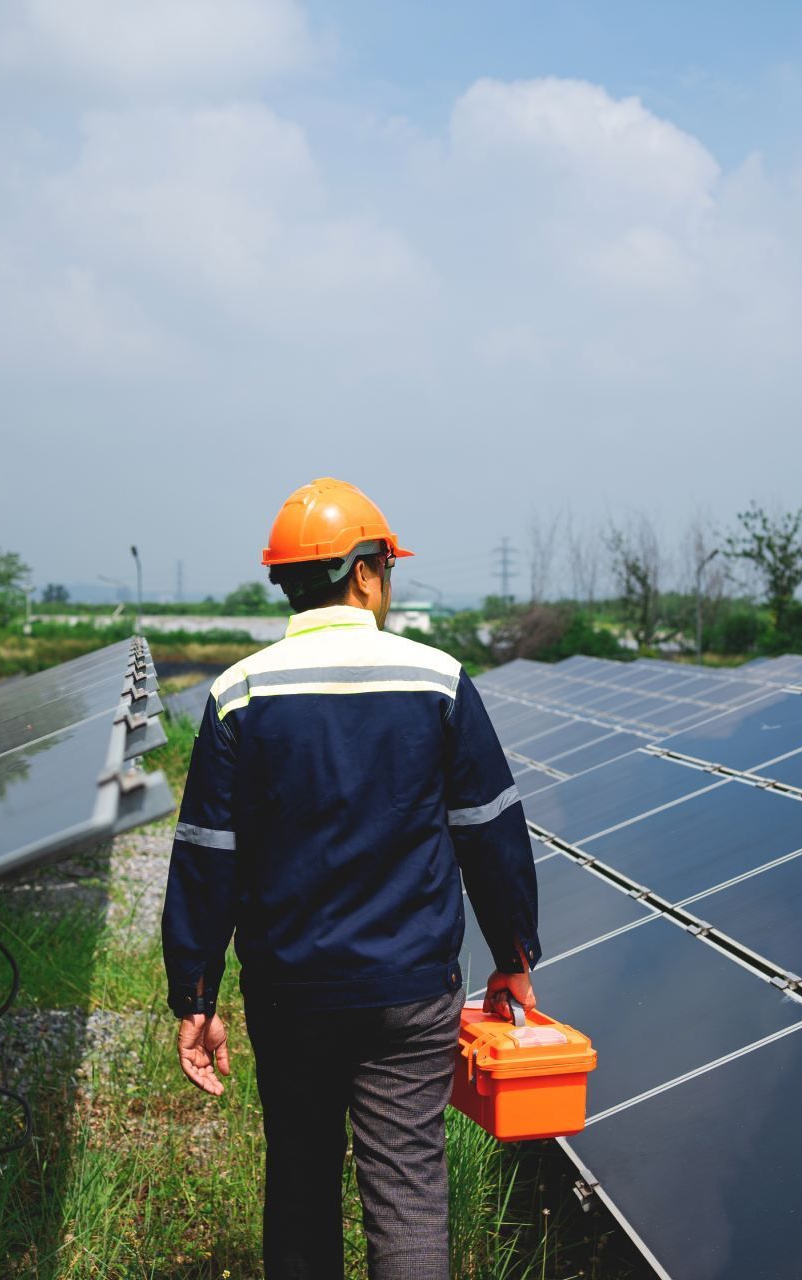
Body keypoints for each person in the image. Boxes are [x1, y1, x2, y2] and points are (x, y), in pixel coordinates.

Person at [162, 477, 541, 1280]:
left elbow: (207, 854)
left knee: (300, 1184)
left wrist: (194, 997)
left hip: (290, 993)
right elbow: (488, 830)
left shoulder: (241, 693)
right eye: (388, 571)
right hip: (410, 993)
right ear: (366, 573)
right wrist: (514, 953)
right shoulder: (436, 679)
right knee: (406, 1195)